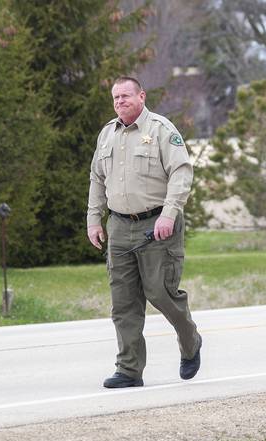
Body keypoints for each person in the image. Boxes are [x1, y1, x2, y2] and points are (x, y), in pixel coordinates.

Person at [87, 76, 202, 388]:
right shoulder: (108, 134)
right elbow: (97, 178)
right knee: (123, 303)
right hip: (120, 226)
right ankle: (129, 370)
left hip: (157, 225)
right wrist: (94, 221)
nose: (120, 102)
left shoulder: (161, 130)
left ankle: (190, 341)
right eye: (115, 98)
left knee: (160, 293)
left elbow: (181, 172)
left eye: (125, 95)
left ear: (141, 95)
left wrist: (169, 214)